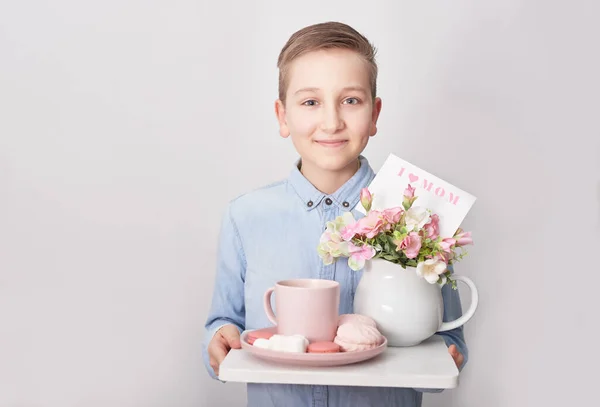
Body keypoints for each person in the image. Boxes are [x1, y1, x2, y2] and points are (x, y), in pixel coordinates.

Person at [202, 21, 468, 407]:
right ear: (282, 116)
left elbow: (450, 340)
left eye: (351, 100)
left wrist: (445, 356)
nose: (331, 122)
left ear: (375, 114)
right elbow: (223, 322)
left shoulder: (418, 219)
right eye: (311, 102)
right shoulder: (245, 217)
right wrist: (218, 337)